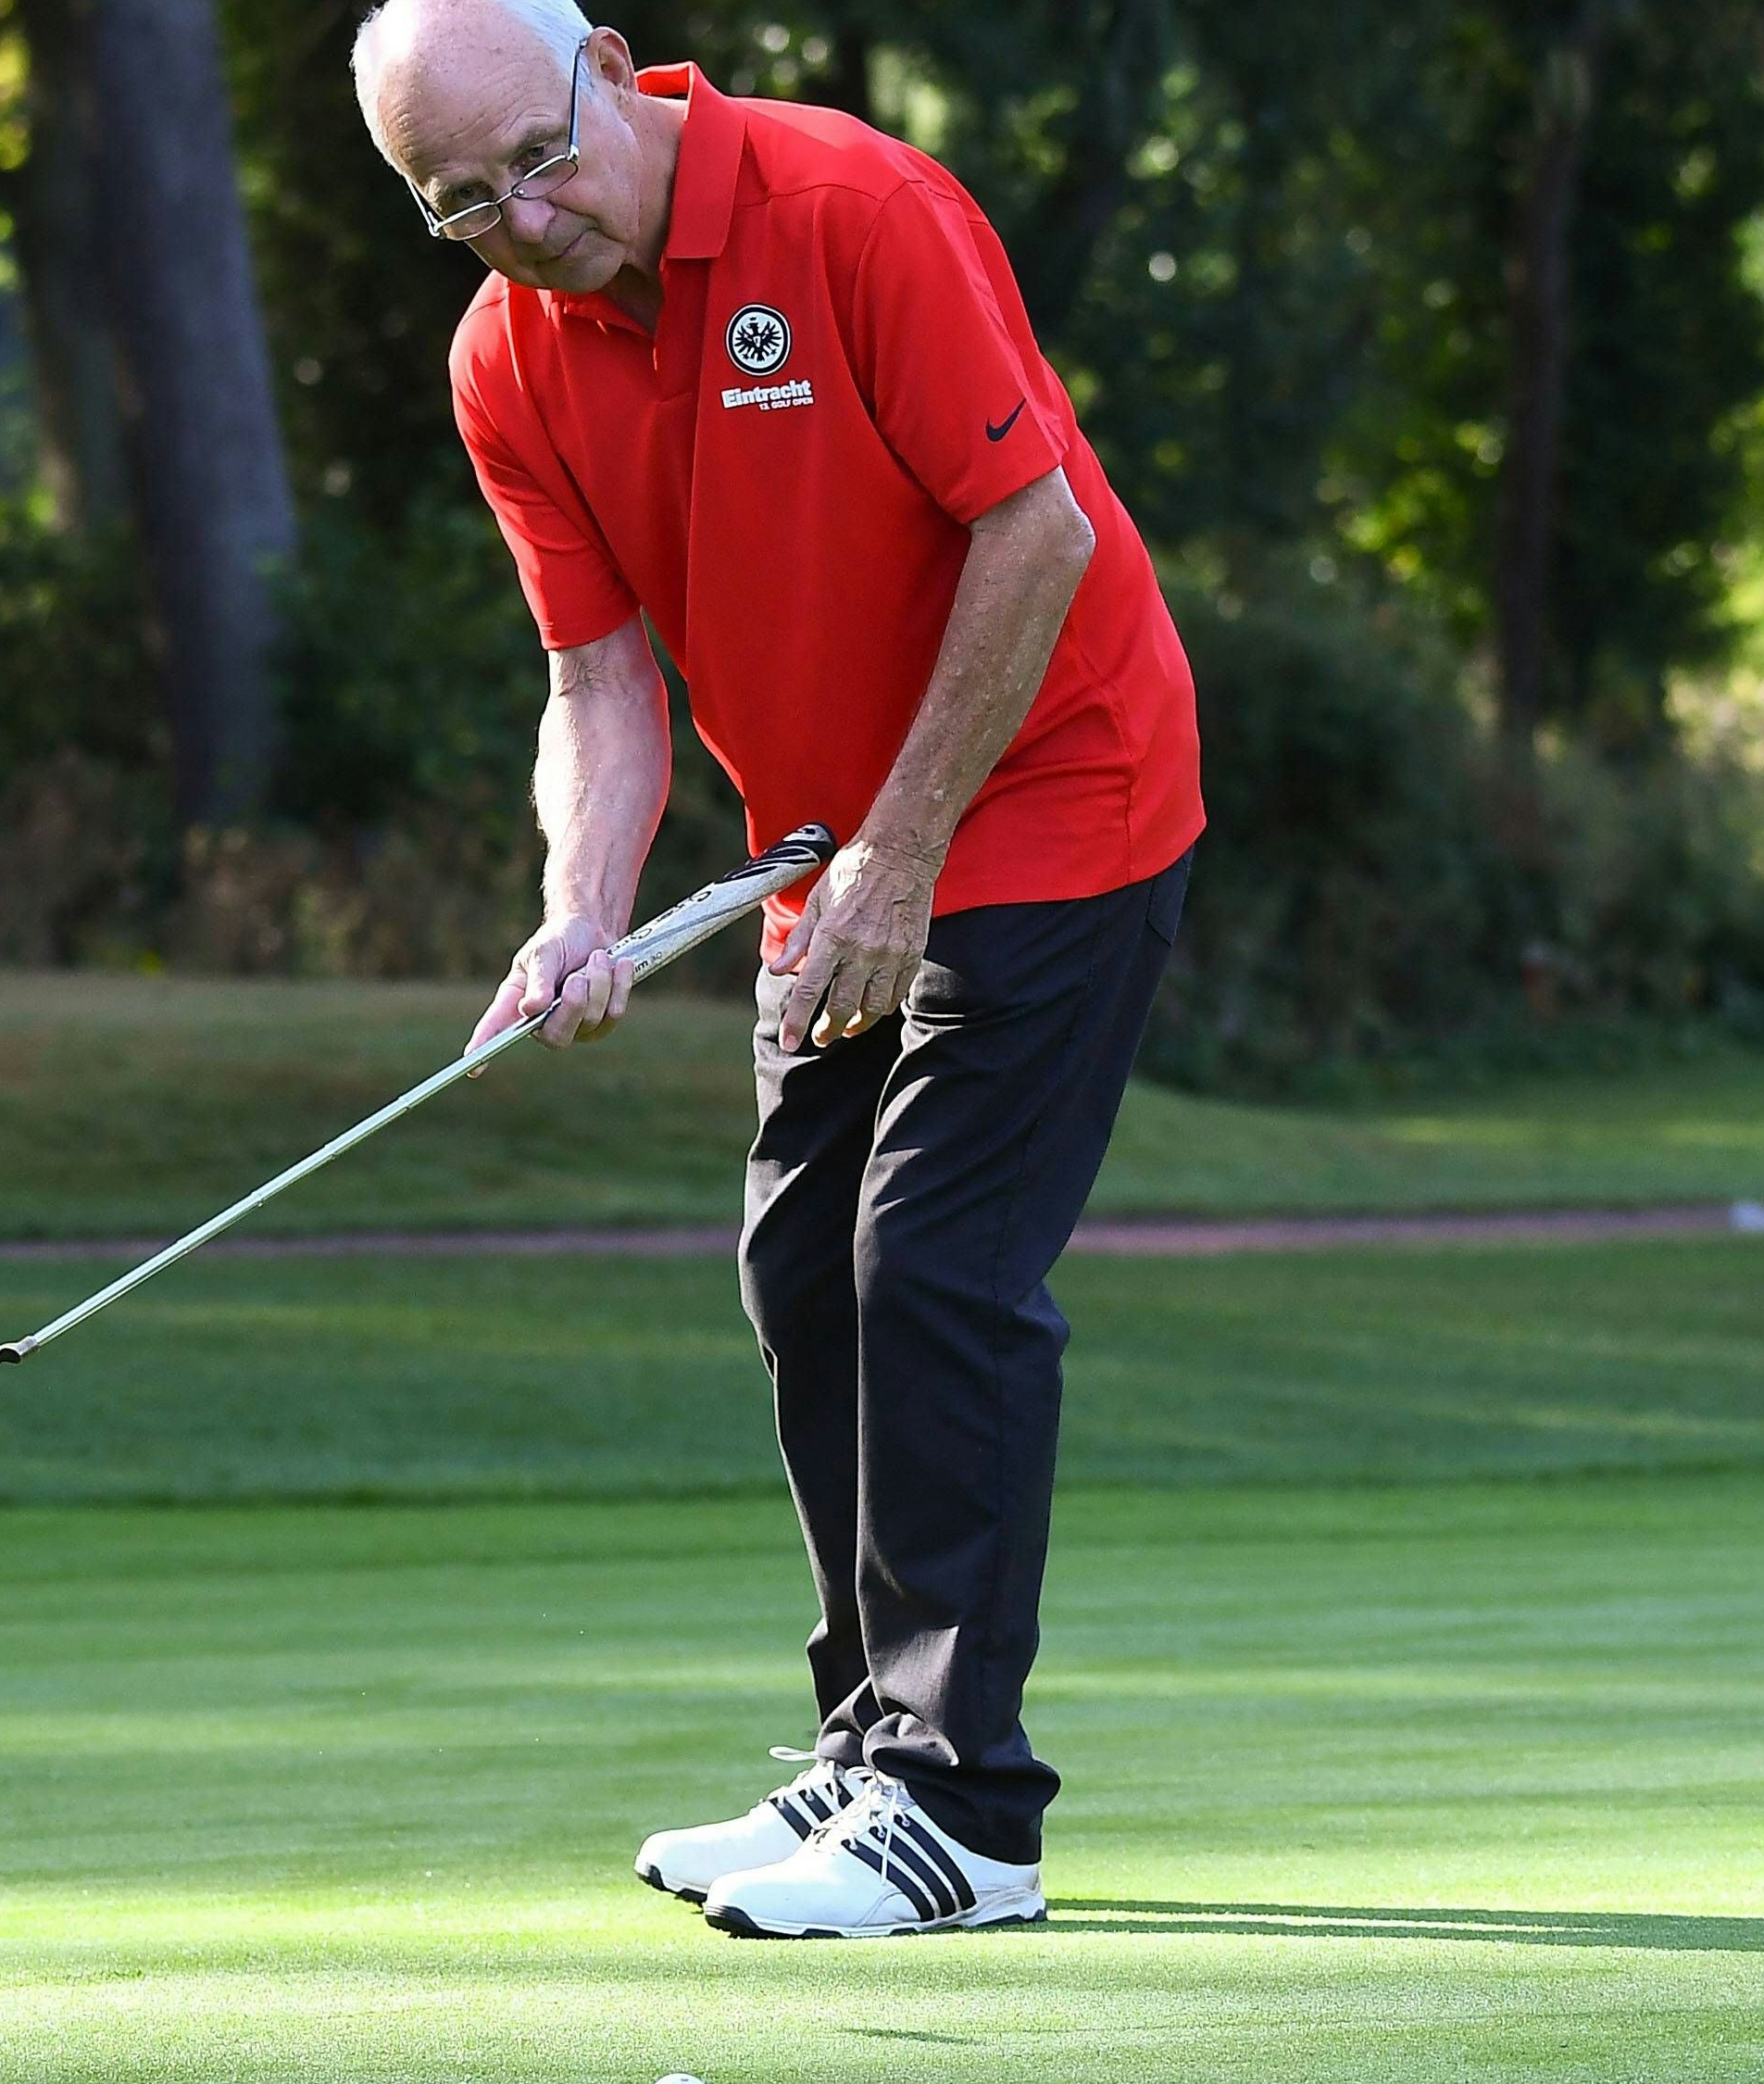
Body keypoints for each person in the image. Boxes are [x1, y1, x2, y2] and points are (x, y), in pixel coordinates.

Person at [353, 0, 1203, 1940]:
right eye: (457, 200)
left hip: (1059, 790)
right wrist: (580, 908)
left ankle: (960, 1810)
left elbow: (1033, 527)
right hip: (830, 849)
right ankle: (861, 1747)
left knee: (932, 1261)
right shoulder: (509, 360)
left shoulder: (844, 209)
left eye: (539, 157)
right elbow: (597, 679)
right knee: (798, 1260)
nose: (519, 217)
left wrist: (901, 854)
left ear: (609, 69)